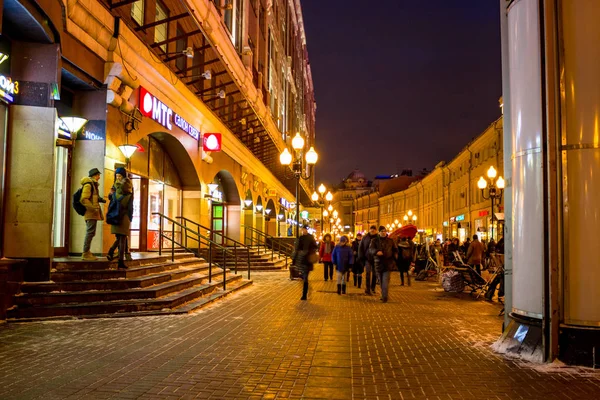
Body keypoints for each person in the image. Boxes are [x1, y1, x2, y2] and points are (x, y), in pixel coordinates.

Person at [107, 167, 133, 269]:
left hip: (116, 215)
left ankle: (114, 253)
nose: (118, 178)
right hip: (124, 215)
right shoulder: (128, 190)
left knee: (121, 238)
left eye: (119, 176)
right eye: (117, 176)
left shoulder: (115, 190)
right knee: (122, 238)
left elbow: (111, 200)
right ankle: (119, 259)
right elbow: (130, 206)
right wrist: (130, 217)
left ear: (123, 177)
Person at [80, 168, 106, 260]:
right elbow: (84, 199)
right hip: (90, 213)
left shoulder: (93, 185)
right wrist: (93, 207)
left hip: (92, 212)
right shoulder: (88, 185)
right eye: (98, 175)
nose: (99, 177)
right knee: (90, 232)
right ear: (94, 175)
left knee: (91, 232)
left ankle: (87, 251)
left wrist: (101, 200)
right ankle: (85, 253)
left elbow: (93, 197)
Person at [369, 226, 398, 302]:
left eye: (384, 231)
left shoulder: (390, 241)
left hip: (388, 263)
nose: (383, 232)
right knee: (381, 280)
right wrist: (376, 252)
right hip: (378, 263)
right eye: (381, 231)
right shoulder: (374, 240)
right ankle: (383, 294)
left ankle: (385, 297)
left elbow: (395, 250)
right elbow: (371, 249)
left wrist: (395, 257)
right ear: (379, 232)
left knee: (385, 280)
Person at [292, 224, 318, 300]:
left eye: (305, 229)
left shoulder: (311, 237)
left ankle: (304, 295)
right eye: (303, 229)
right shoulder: (300, 238)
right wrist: (294, 258)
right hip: (301, 260)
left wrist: (309, 251)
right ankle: (307, 290)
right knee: (303, 277)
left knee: (305, 277)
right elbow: (296, 249)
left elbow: (315, 247)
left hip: (308, 260)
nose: (303, 230)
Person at [358, 225, 379, 295]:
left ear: (376, 230)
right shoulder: (365, 237)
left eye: (374, 229)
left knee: (375, 274)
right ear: (369, 230)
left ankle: (373, 287)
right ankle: (367, 288)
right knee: (368, 273)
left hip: (376, 258)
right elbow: (361, 248)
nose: (372, 230)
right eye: (371, 229)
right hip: (367, 258)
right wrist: (361, 257)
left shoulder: (378, 238)